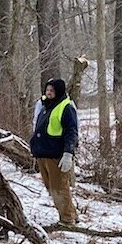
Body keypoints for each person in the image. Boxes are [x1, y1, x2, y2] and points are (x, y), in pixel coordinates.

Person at [30, 77, 79, 225]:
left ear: (58, 91)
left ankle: (67, 220)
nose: (49, 92)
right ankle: (71, 214)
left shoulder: (66, 107)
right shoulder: (46, 105)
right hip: (43, 154)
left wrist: (68, 153)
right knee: (51, 188)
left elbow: (72, 132)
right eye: (47, 90)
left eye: (52, 90)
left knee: (59, 189)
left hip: (56, 155)